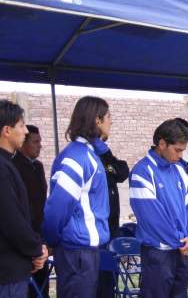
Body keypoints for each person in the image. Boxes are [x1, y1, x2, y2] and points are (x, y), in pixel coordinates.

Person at [43, 96, 111, 298]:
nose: (111, 121)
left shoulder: (88, 154)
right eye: (108, 116)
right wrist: (52, 240)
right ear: (97, 120)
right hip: (76, 251)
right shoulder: (76, 157)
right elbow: (58, 207)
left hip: (84, 250)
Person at [129, 119, 188, 298]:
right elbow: (151, 217)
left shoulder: (178, 170)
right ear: (161, 143)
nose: (180, 155)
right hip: (158, 253)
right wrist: (180, 240)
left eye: (182, 150)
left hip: (182, 250)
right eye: (177, 150)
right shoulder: (142, 171)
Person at [0, 100, 48, 297]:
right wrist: (36, 249)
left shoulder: (7, 164)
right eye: (21, 125)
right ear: (6, 130)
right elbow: (11, 218)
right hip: (8, 269)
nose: (25, 131)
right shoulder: (3, 168)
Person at [12, 125, 49, 298]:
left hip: (39, 233)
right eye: (35, 142)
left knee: (42, 283)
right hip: (24, 234)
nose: (39, 146)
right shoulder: (14, 166)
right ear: (23, 144)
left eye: (40, 141)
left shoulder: (39, 167)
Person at [95, 135, 129, 298]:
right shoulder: (87, 160)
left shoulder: (107, 160)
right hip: (96, 232)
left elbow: (122, 172)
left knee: (110, 279)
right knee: (98, 281)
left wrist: (107, 154)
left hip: (111, 228)